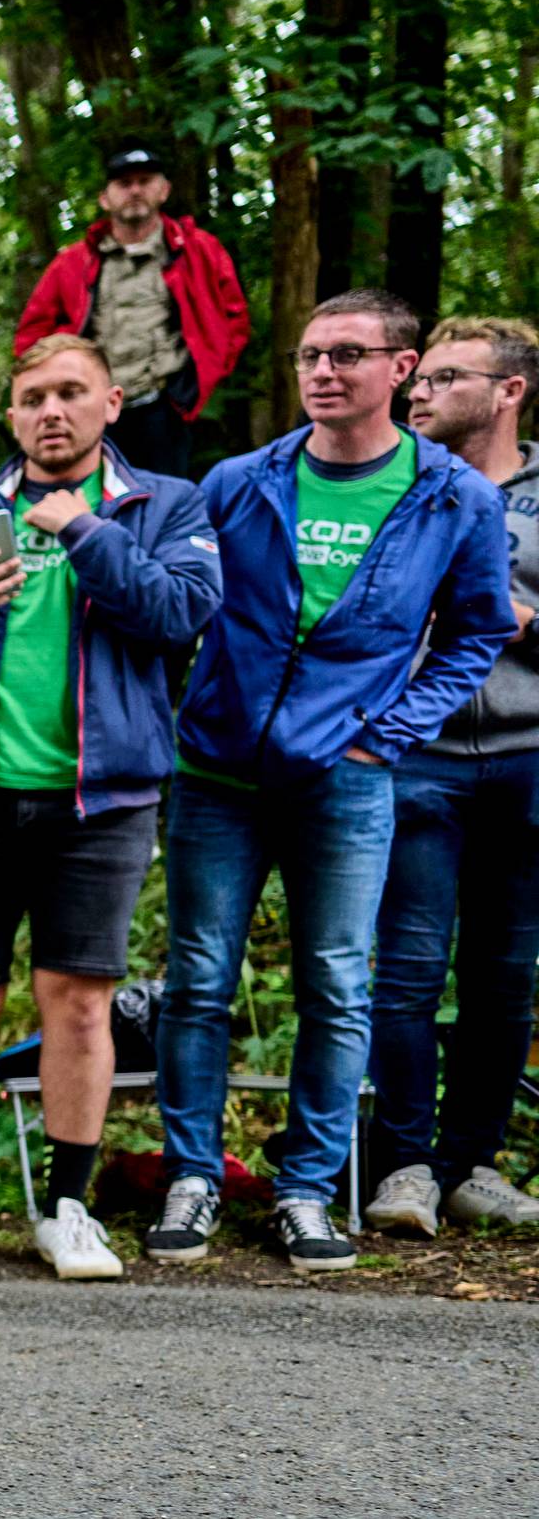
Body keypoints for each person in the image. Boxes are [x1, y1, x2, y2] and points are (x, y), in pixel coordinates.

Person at [151, 290, 516, 1273]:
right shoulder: (238, 480)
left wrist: (387, 733)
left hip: (346, 778)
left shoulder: (451, 497)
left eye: (345, 354)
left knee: (335, 982)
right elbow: (178, 600)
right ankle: (191, 1175)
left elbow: (477, 629)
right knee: (196, 978)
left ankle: (306, 1188)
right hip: (216, 772)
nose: (320, 372)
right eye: (308, 355)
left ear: (399, 369)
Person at [0, 335, 222, 1281]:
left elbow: (183, 612)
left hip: (101, 801)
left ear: (110, 403)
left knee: (77, 1005)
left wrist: (85, 531)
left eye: (70, 393)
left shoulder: (162, 505)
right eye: (32, 397)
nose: (50, 411)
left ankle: (68, 1209)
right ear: (13, 414)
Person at [361, 315, 539, 1234]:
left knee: (506, 973)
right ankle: (403, 1167)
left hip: (526, 757)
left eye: (443, 377)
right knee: (408, 968)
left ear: (508, 390)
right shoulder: (395, 482)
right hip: (417, 757)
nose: (416, 391)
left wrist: (521, 619)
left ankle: (473, 1160)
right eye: (416, 376)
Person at [14, 145, 252, 477]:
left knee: (165, 503)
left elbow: (234, 319)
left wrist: (202, 380)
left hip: (168, 406)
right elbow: (31, 337)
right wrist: (57, 390)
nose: (135, 190)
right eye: (124, 184)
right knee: (91, 505)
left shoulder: (198, 249)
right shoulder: (72, 262)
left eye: (145, 180)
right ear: (105, 198)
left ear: (164, 190)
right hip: (91, 411)